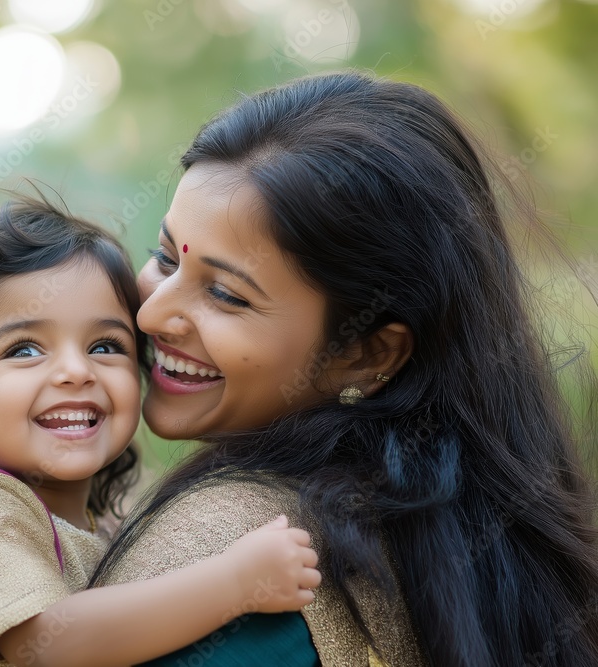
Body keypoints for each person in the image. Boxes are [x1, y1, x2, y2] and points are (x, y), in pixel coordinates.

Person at [89, 70, 598, 667]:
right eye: (163, 258)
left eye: (227, 295)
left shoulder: (239, 563)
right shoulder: (437, 539)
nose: (150, 313)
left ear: (365, 353)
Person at [0, 200, 322, 667]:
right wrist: (234, 582)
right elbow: (49, 644)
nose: (76, 370)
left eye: (105, 345)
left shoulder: (103, 525)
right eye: (25, 350)